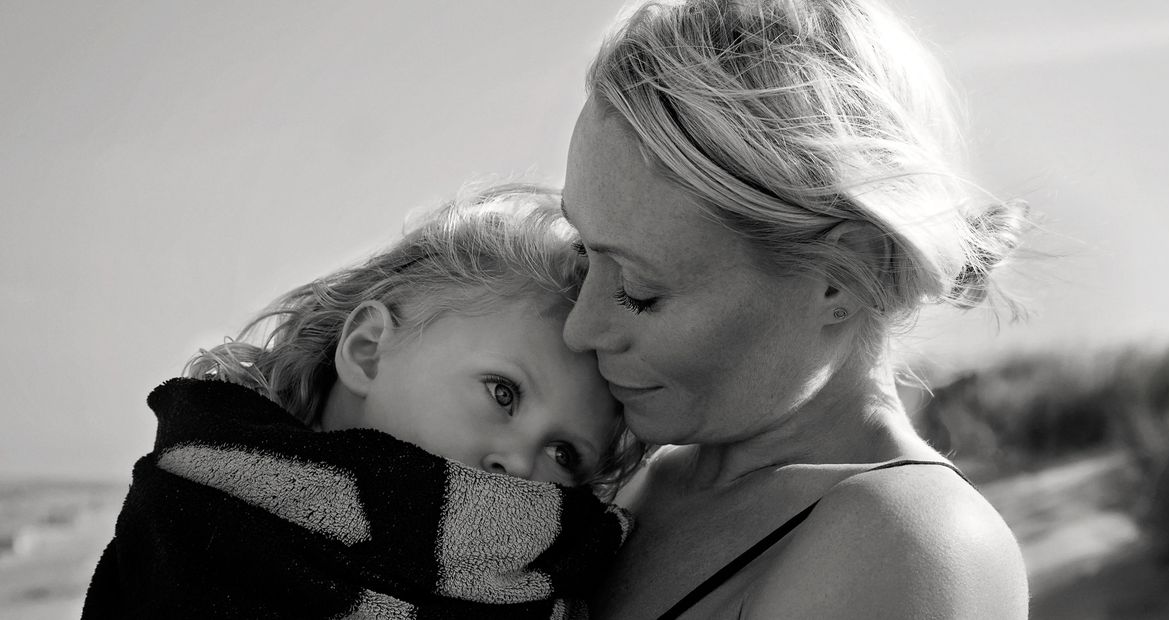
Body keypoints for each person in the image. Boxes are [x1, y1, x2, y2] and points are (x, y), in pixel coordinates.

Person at [559, 0, 1030, 617]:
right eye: (580, 256)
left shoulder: (907, 540)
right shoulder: (622, 477)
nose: (579, 328)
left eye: (640, 290)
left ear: (840, 275)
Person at [83, 184, 645, 619]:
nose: (521, 465)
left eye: (566, 453)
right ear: (369, 350)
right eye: (503, 392)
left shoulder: (548, 581)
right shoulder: (197, 513)